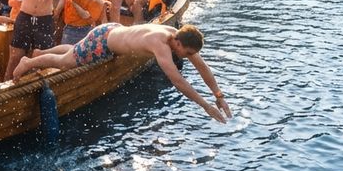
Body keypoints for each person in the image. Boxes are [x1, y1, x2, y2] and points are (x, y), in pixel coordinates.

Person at [13, 23, 232, 124]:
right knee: (65, 62)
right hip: (103, 42)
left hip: (110, 31)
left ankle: (42, 52)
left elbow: (202, 66)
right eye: (188, 53)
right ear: (178, 43)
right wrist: (206, 106)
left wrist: (218, 95)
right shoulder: (160, 45)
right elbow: (177, 80)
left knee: (75, 53)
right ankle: (28, 62)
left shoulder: (176, 34)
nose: (188, 56)